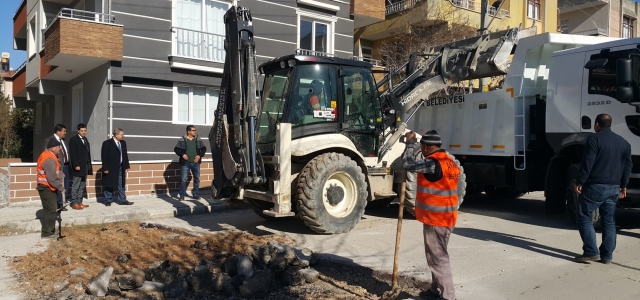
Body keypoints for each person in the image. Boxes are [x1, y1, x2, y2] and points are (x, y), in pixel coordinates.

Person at [402, 130, 462, 300]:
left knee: (438, 259)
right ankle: (436, 290)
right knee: (436, 255)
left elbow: (408, 164)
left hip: (436, 220)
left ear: (426, 147)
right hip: (447, 217)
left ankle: (448, 297)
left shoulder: (432, 163)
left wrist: (409, 143)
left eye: (422, 147)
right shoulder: (449, 162)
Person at [574, 114, 632, 264]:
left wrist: (580, 181)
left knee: (584, 215)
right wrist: (624, 185)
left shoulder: (594, 139)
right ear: (610, 124)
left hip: (595, 186)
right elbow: (628, 166)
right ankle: (606, 256)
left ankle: (591, 251)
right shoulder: (624, 143)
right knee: (609, 221)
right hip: (614, 188)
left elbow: (588, 162)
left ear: (597, 124)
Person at [36, 138, 65, 239]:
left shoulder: (49, 155)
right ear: (53, 148)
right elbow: (51, 178)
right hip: (46, 188)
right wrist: (61, 187)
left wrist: (61, 174)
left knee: (50, 209)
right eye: (58, 147)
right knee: (51, 209)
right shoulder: (49, 159)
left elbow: (54, 171)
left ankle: (49, 231)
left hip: (47, 187)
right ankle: (47, 233)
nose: (60, 148)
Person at [101, 128, 133, 206]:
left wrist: (127, 165)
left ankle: (123, 200)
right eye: (122, 134)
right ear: (116, 135)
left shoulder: (123, 143)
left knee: (121, 184)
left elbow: (125, 155)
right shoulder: (107, 143)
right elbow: (104, 157)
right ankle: (108, 200)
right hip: (110, 167)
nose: (123, 136)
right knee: (109, 183)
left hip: (121, 166)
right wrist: (105, 168)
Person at [174, 125, 207, 201]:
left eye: (195, 130)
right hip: (185, 163)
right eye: (193, 130)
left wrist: (199, 155)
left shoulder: (198, 139)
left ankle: (195, 194)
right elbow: (176, 149)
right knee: (183, 179)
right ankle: (182, 195)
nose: (195, 131)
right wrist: (182, 154)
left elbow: (204, 148)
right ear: (188, 131)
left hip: (196, 163)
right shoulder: (182, 139)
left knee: (197, 179)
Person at [43, 124, 70, 211]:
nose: (65, 133)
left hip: (65, 166)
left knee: (65, 185)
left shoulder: (62, 140)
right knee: (58, 185)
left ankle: (62, 203)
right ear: (58, 132)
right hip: (56, 167)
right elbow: (47, 155)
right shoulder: (49, 140)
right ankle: (58, 205)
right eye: (64, 131)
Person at [68, 123, 93, 210]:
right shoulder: (73, 140)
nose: (83, 132)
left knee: (82, 185)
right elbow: (73, 154)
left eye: (85, 130)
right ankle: (74, 202)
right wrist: (76, 165)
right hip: (78, 166)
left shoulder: (85, 140)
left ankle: (79, 201)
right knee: (76, 185)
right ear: (78, 131)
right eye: (82, 131)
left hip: (85, 166)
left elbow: (87, 153)